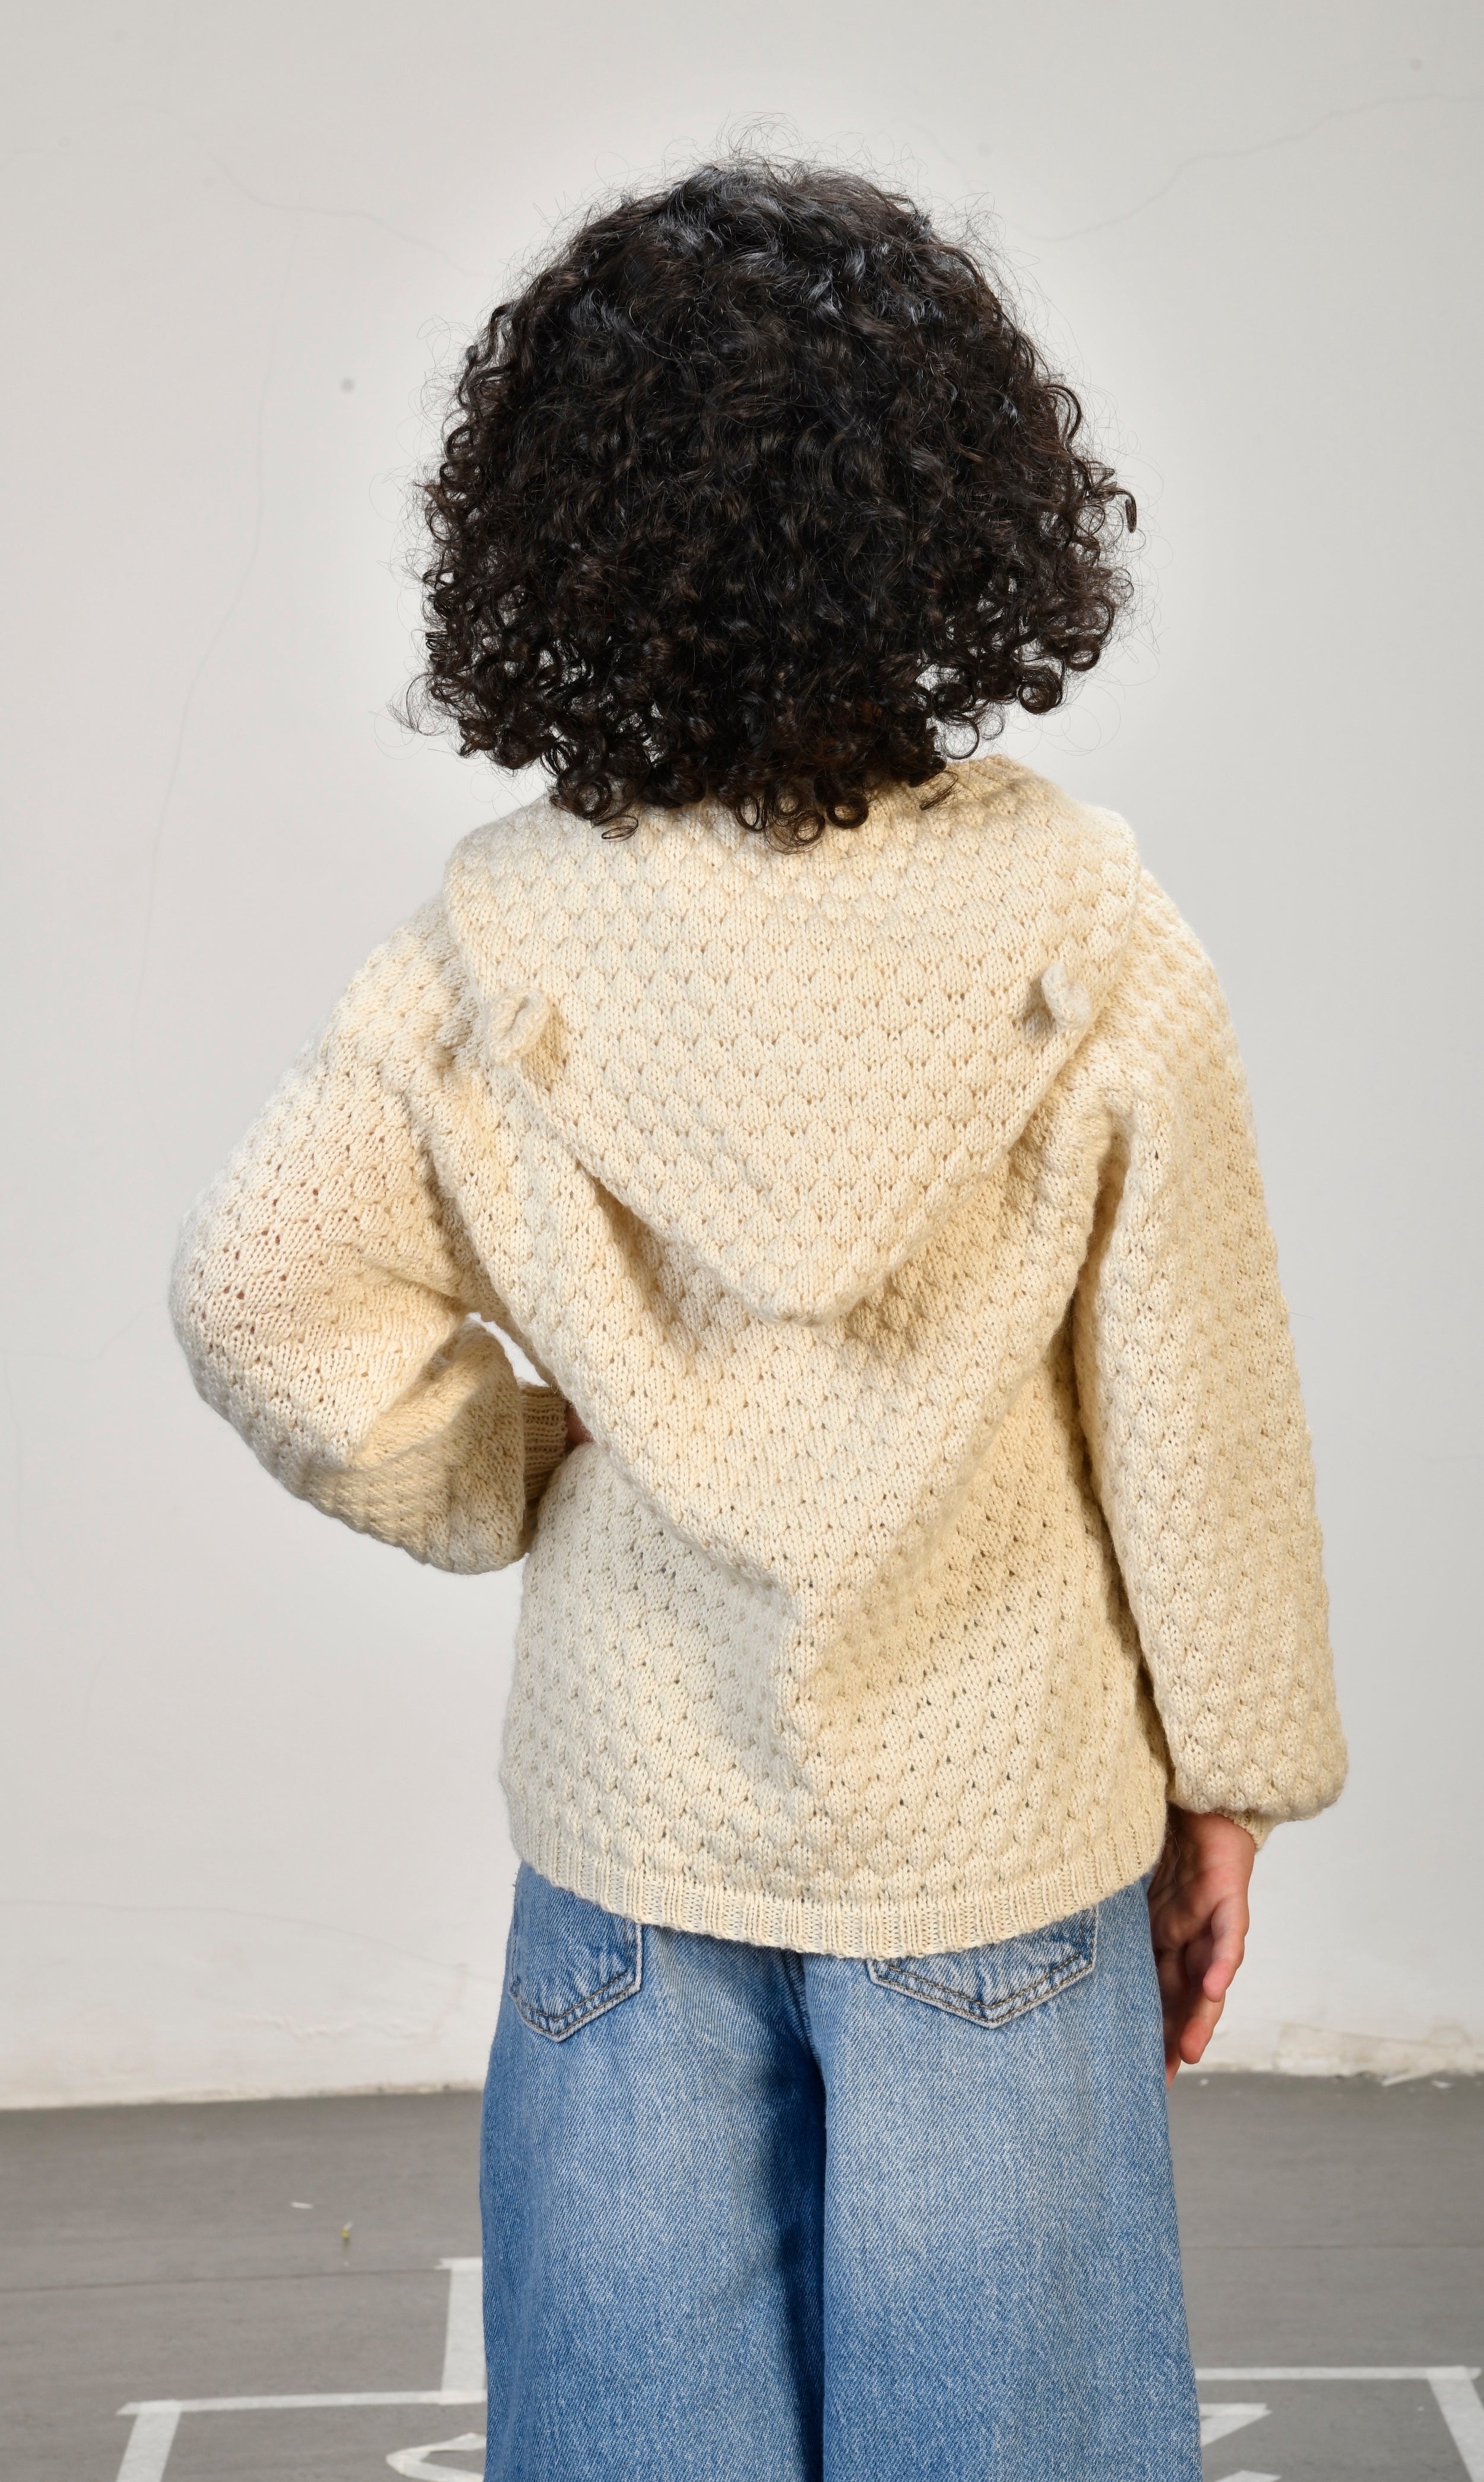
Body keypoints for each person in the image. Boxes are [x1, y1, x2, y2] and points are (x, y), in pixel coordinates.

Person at [172, 159, 1346, 2481]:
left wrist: (517, 1471)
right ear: (966, 519)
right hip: (994, 1831)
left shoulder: (498, 938)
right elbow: (1196, 1409)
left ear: (562, 540)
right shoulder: (1090, 920)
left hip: (638, 1819)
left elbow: (259, 1288)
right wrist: (1231, 1783)